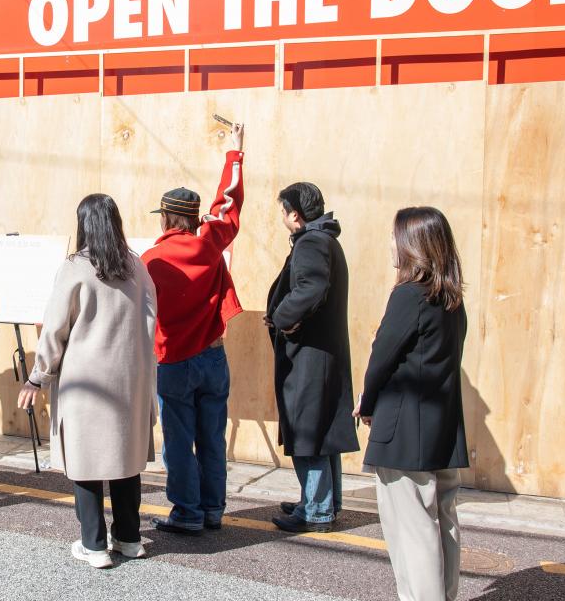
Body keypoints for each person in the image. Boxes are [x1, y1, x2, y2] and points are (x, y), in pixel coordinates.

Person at [18, 194, 157, 569]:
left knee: (85, 459)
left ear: (84, 224)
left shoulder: (76, 267)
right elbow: (149, 324)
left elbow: (55, 329)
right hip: (130, 378)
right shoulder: (137, 267)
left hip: (85, 381)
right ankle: (129, 538)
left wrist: (37, 377)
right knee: (125, 459)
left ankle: (94, 544)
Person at [354, 207, 468, 601]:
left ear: (412, 245)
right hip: (441, 422)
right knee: (443, 518)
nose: (390, 244)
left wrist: (367, 400)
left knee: (411, 524)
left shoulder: (408, 295)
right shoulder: (452, 299)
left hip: (404, 422)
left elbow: (383, 353)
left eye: (394, 236)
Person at [142, 121, 244, 535]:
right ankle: (213, 509)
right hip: (214, 356)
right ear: (195, 217)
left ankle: (186, 512)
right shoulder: (209, 243)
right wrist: (235, 153)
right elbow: (229, 203)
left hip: (174, 361)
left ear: (166, 217)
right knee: (212, 437)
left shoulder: (152, 259)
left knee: (179, 441)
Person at [266, 182, 359, 533]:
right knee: (320, 430)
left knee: (307, 428)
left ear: (295, 214)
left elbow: (310, 289)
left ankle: (316, 508)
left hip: (309, 355)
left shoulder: (311, 242)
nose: (282, 218)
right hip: (322, 353)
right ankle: (321, 501)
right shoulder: (327, 240)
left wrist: (282, 317)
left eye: (283, 211)